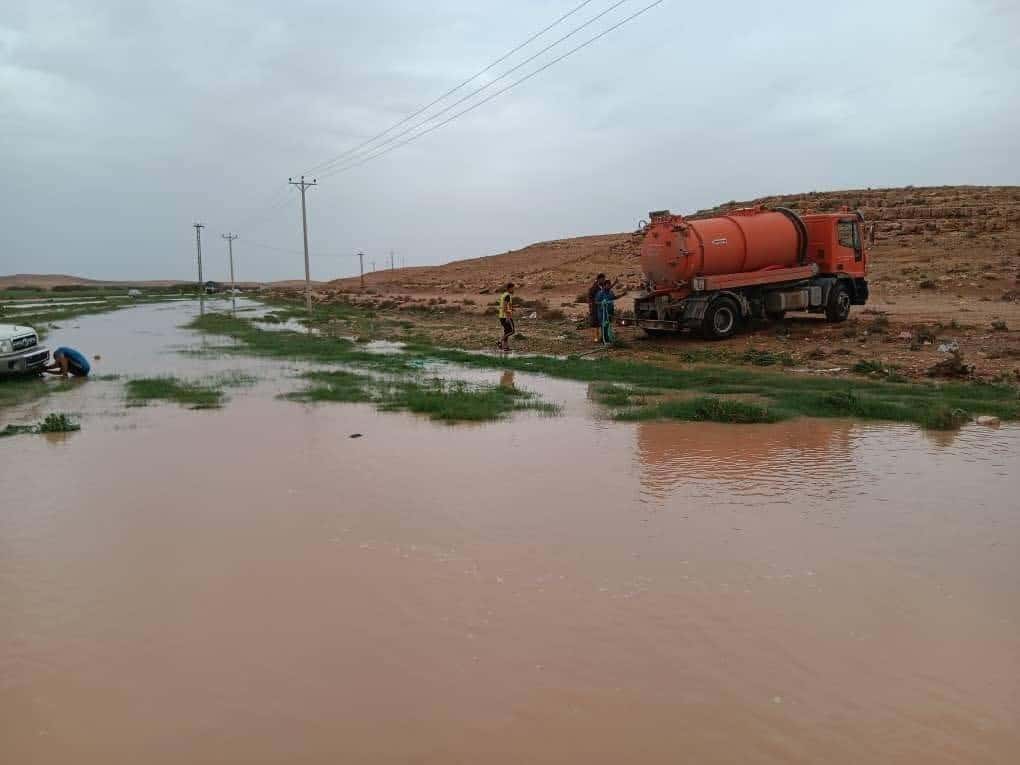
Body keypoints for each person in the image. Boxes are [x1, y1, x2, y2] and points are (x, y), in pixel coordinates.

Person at [595, 278, 628, 344]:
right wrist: (602, 303)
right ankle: (604, 339)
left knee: (608, 325)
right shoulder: (600, 293)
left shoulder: (610, 292)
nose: (608, 286)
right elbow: (596, 301)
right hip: (602, 312)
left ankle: (607, 338)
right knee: (604, 325)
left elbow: (614, 297)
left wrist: (622, 295)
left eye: (609, 285)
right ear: (604, 286)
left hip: (609, 311)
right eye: (607, 285)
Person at [587, 273, 606, 342]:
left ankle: (603, 337)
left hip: (602, 307)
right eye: (603, 279)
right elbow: (590, 297)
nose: (604, 280)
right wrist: (592, 305)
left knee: (602, 322)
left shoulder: (602, 286)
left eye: (604, 279)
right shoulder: (594, 287)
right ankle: (596, 337)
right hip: (595, 307)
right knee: (596, 323)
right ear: (599, 279)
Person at [497, 282, 515, 351]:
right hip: (505, 317)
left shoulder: (503, 295)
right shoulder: (507, 296)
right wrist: (508, 316)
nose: (513, 290)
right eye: (513, 288)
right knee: (512, 331)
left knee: (507, 331)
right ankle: (499, 341)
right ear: (510, 288)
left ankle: (506, 347)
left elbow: (505, 306)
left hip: (501, 316)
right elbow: (505, 308)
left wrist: (511, 308)